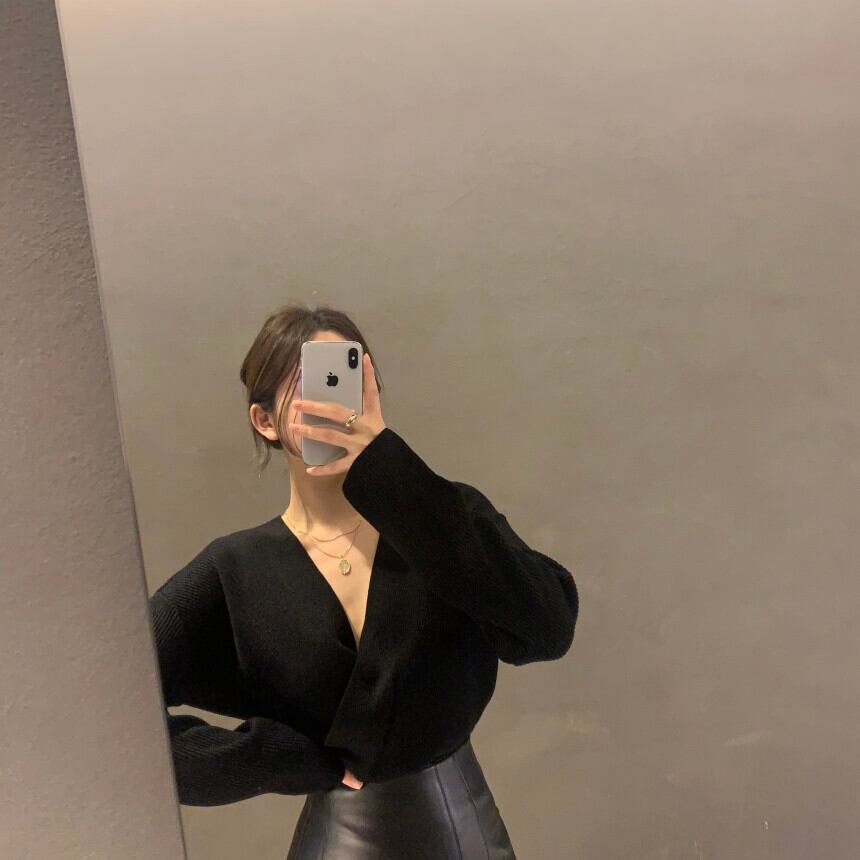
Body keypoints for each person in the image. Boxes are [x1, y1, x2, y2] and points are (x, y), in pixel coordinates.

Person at [149, 303, 579, 858]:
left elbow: (548, 628)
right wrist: (272, 760)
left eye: (348, 380)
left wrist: (393, 470)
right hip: (336, 843)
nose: (335, 403)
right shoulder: (235, 569)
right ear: (265, 420)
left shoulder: (441, 520)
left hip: (465, 835)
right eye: (311, 385)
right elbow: (113, 714)